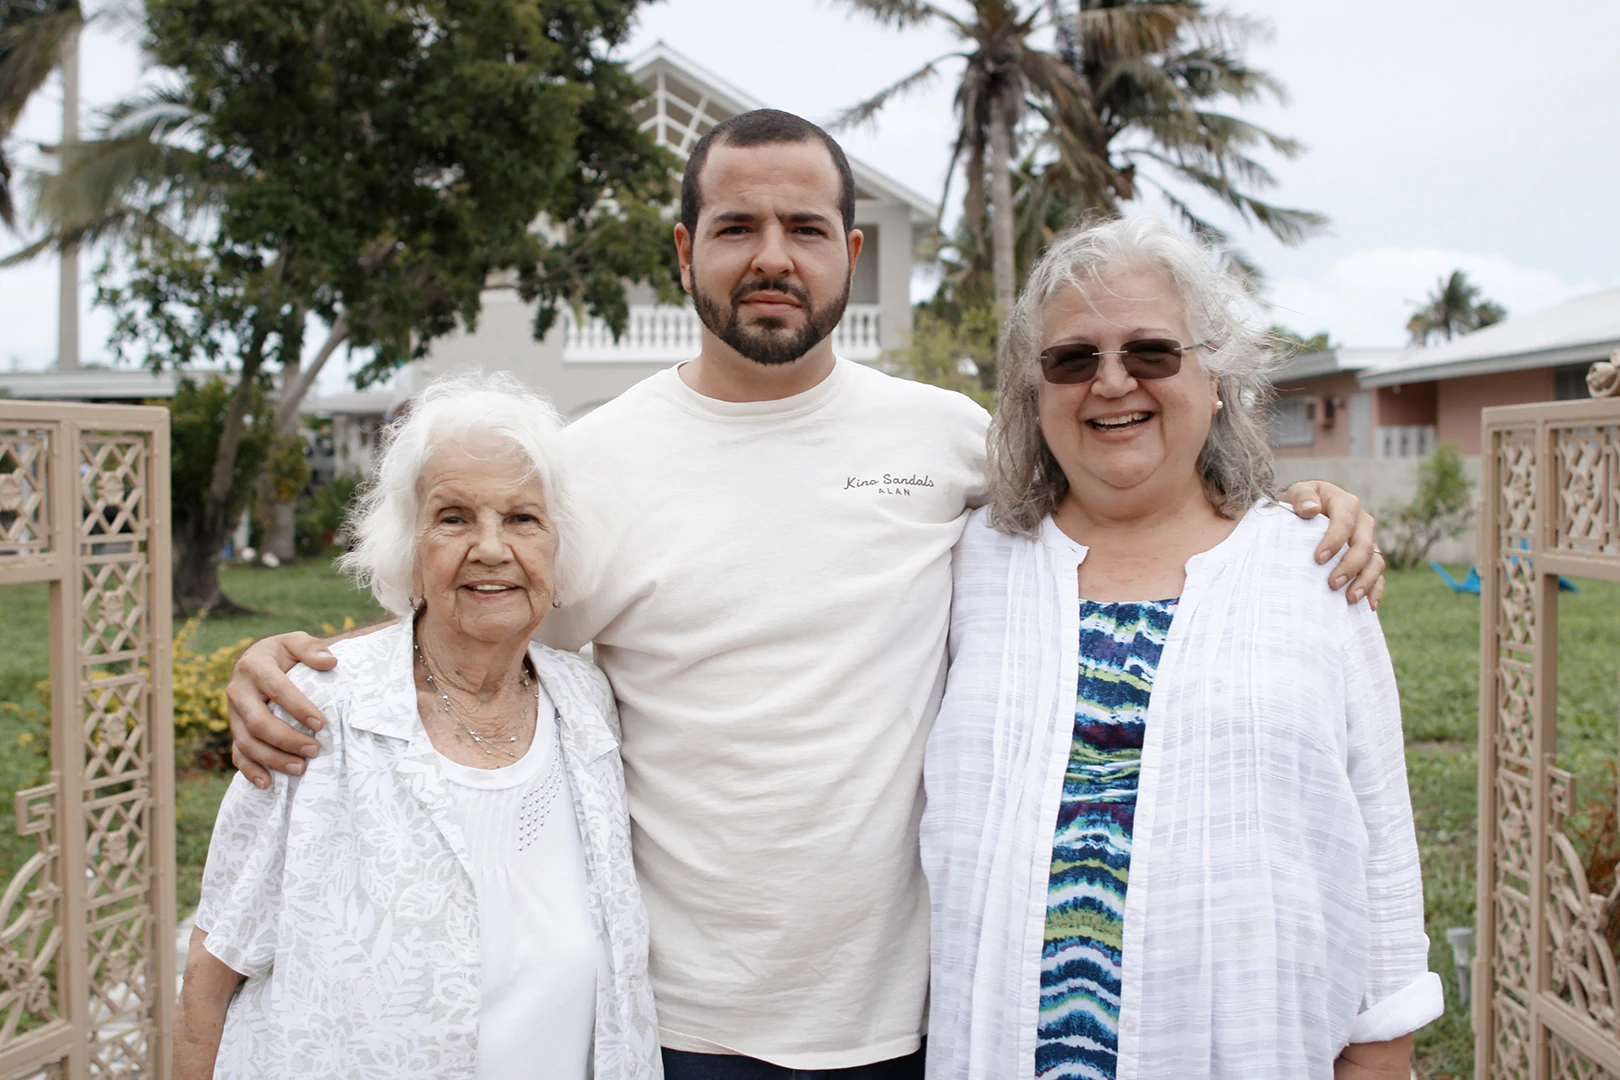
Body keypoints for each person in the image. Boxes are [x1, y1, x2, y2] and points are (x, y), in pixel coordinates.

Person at [222, 111, 1388, 1078]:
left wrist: (1302, 507)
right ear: (685, 253)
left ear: (849, 255)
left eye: (804, 227)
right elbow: (476, 631)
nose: (770, 254)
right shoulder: (592, 467)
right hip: (676, 1020)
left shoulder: (949, 444)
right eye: (737, 227)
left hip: (920, 1020)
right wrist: (298, 666)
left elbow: (1122, 493)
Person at [922, 217, 1441, 1080]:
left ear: (1216, 379)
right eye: (1072, 358)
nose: (1112, 382)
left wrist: (1381, 1053)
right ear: (1033, 390)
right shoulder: (966, 561)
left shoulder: (1312, 567)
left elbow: (1382, 847)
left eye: (1152, 352)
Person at [173, 374, 660, 1080]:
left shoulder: (588, 706)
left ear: (559, 548)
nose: (492, 548)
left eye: (523, 519)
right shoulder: (319, 711)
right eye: (454, 517)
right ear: (409, 547)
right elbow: (216, 958)